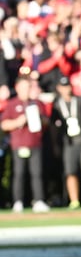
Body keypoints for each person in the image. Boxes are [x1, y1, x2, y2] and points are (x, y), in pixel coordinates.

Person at [1, 72, 51, 213]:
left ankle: (39, 200)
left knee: (37, 173)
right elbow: (4, 125)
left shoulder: (36, 103)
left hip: (35, 142)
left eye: (28, 87)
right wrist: (18, 122)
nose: (27, 90)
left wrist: (39, 118)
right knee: (19, 173)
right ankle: (18, 201)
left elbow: (47, 123)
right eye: (24, 87)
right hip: (18, 143)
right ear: (17, 87)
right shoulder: (12, 104)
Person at [51, 75, 81, 209]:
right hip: (68, 141)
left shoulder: (78, 101)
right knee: (70, 171)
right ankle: (74, 200)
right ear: (58, 89)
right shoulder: (57, 104)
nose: (65, 89)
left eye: (67, 86)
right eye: (63, 87)